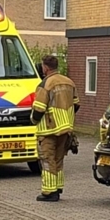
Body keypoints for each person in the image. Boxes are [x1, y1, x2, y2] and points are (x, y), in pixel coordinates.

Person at [31, 55, 79, 202]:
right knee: (58, 159)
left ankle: (49, 192)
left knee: (47, 159)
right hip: (66, 128)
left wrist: (33, 120)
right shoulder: (69, 82)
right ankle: (58, 187)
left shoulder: (45, 84)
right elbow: (76, 104)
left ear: (45, 68)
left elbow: (39, 109)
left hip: (48, 129)